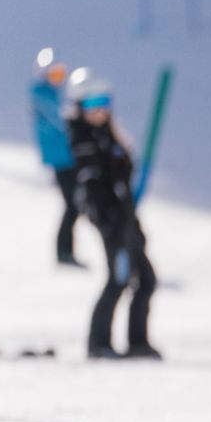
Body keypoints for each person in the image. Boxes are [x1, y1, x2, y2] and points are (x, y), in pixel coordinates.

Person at [65, 68, 162, 360]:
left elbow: (124, 175)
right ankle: (99, 344)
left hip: (127, 221)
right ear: (79, 107)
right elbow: (92, 189)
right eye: (92, 104)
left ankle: (138, 342)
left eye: (104, 102)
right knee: (118, 279)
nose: (100, 111)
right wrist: (108, 222)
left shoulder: (108, 136)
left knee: (146, 280)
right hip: (112, 225)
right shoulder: (83, 141)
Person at [30, 49, 83, 267]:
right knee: (72, 204)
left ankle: (67, 252)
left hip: (68, 157)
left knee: (75, 204)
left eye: (61, 74)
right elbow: (62, 119)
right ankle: (64, 253)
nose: (59, 78)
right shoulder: (43, 94)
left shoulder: (57, 94)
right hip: (61, 158)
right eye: (55, 74)